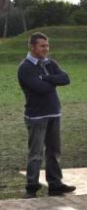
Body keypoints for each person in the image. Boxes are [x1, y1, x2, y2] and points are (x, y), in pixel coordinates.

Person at [17, 32, 75, 199]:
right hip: (36, 116)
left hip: (54, 113)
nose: (46, 49)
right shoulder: (25, 68)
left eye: (47, 45)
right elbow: (41, 88)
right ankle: (31, 188)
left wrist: (45, 77)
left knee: (54, 152)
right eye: (42, 46)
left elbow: (66, 79)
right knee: (36, 154)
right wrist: (53, 81)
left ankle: (55, 185)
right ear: (32, 47)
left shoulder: (50, 63)